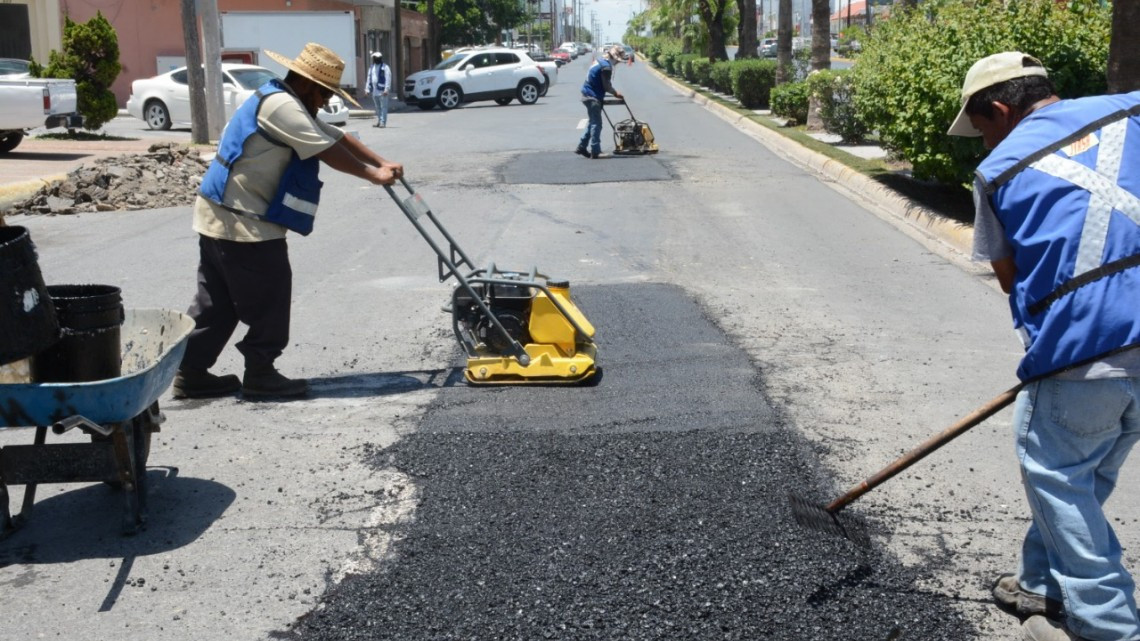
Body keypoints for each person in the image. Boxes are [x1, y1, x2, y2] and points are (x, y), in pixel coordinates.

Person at [948, 51, 1140, 641]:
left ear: (1001, 110)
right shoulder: (1132, 109)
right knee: (1076, 477)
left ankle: (1108, 626)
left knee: (1056, 475)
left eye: (981, 129)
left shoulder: (997, 173)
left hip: (1086, 352)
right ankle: (1039, 582)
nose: (983, 145)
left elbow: (1010, 277)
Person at [173, 42, 404, 400]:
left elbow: (336, 135)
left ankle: (191, 373)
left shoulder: (285, 98)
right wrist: (372, 175)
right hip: (241, 221)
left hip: (217, 214)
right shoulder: (283, 107)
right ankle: (261, 373)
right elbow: (327, 151)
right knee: (272, 290)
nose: (326, 101)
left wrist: (382, 162)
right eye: (325, 93)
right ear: (308, 83)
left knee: (217, 300)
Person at [575, 44, 625, 160]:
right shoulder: (606, 67)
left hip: (586, 94)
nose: (617, 63)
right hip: (593, 97)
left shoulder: (599, 61)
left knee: (593, 122)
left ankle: (582, 146)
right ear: (613, 57)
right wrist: (615, 93)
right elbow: (606, 86)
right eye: (617, 61)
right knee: (597, 124)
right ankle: (595, 151)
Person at [365, 51, 391, 128]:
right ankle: (379, 121)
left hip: (382, 91)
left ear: (380, 58)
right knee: (378, 107)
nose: (376, 59)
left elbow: (388, 79)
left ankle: (383, 122)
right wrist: (367, 89)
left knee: (383, 107)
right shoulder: (371, 67)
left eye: (377, 58)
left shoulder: (385, 67)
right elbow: (369, 78)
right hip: (375, 91)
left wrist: (387, 89)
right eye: (375, 58)